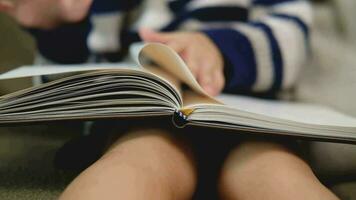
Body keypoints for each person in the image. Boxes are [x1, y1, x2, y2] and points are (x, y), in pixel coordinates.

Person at [0, 0, 340, 199]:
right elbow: (60, 86)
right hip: (146, 122)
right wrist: (59, 28)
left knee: (278, 173)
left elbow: (292, 40)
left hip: (251, 121)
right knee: (135, 161)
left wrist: (219, 49)